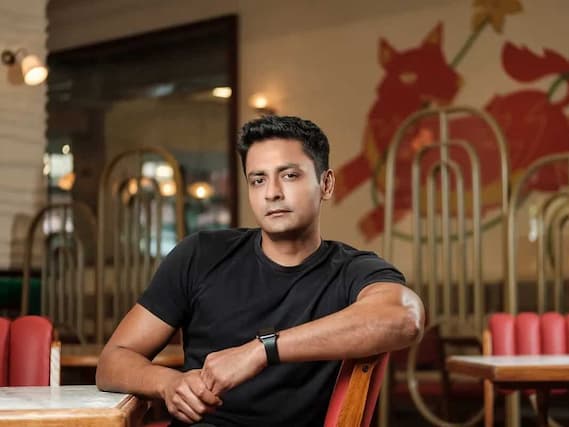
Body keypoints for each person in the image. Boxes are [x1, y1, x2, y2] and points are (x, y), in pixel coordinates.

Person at [96, 115, 425, 426]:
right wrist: (168, 383)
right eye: (258, 180)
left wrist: (261, 351)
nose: (272, 193)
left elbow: (404, 319)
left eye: (290, 175)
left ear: (326, 184)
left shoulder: (354, 270)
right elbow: (113, 361)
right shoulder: (200, 254)